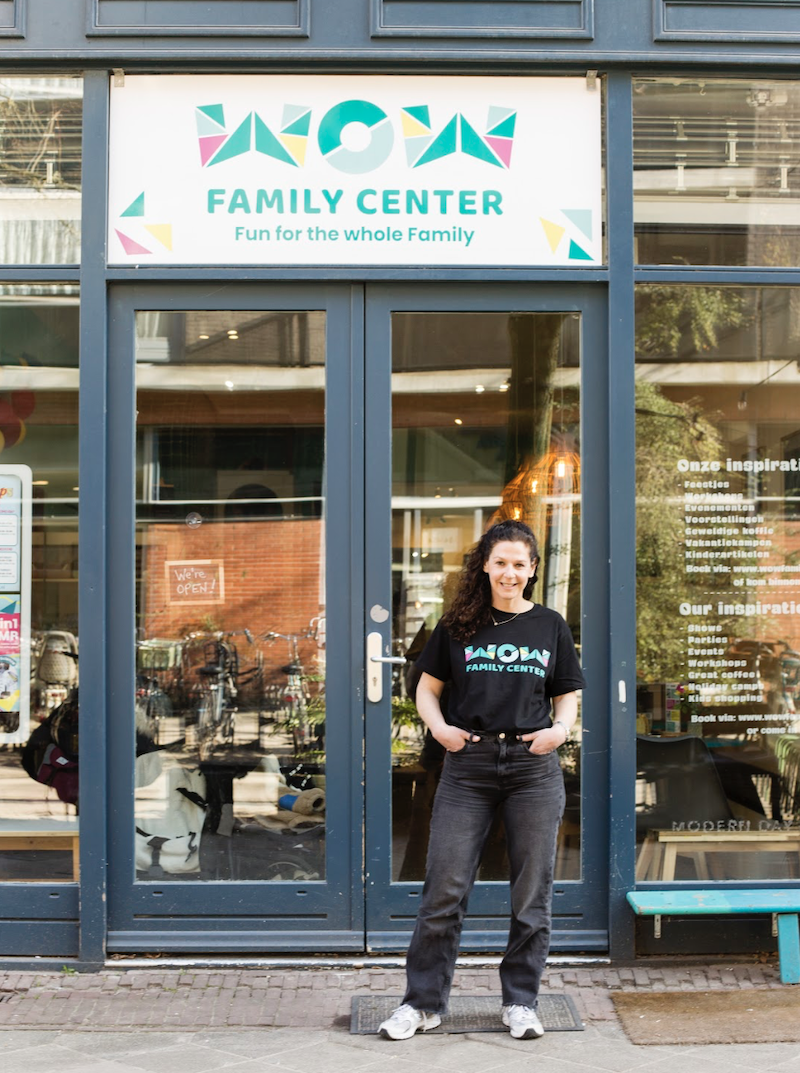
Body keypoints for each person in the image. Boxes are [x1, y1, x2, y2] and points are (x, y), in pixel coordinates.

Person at [378, 519, 585, 1042]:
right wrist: (440, 729)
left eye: (519, 564)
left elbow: (566, 693)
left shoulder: (550, 625)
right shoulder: (458, 624)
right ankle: (421, 1004)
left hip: (532, 768)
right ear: (485, 567)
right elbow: (426, 690)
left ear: (532, 569)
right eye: (500, 563)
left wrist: (560, 731)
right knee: (444, 889)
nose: (509, 573)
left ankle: (521, 1002)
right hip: (468, 766)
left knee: (531, 894)